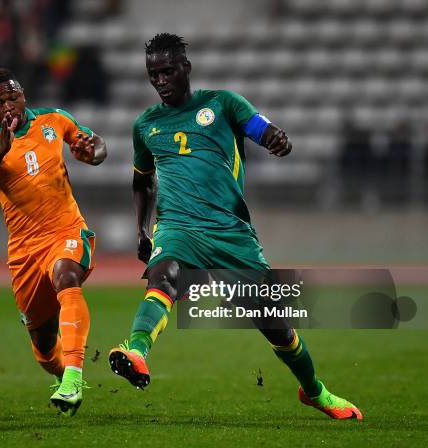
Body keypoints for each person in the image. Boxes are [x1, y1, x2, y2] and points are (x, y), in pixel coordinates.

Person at [108, 34, 363, 420]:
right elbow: (141, 181)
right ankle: (136, 352)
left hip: (229, 231)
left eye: (167, 71)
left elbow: (262, 127)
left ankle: (314, 391)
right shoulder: (146, 125)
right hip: (177, 225)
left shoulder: (222, 103)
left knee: (275, 325)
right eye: (152, 74)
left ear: (186, 69)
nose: (160, 80)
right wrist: (142, 230)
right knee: (164, 277)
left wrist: (276, 139)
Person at [0, 68, 106, 416]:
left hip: (66, 230)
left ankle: (74, 378)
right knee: (43, 346)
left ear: (23, 95)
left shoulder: (54, 119)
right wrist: (0, 150)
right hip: (24, 250)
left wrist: (93, 152)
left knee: (66, 276)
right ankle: (63, 373)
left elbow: (95, 147)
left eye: (13, 97)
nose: (9, 105)